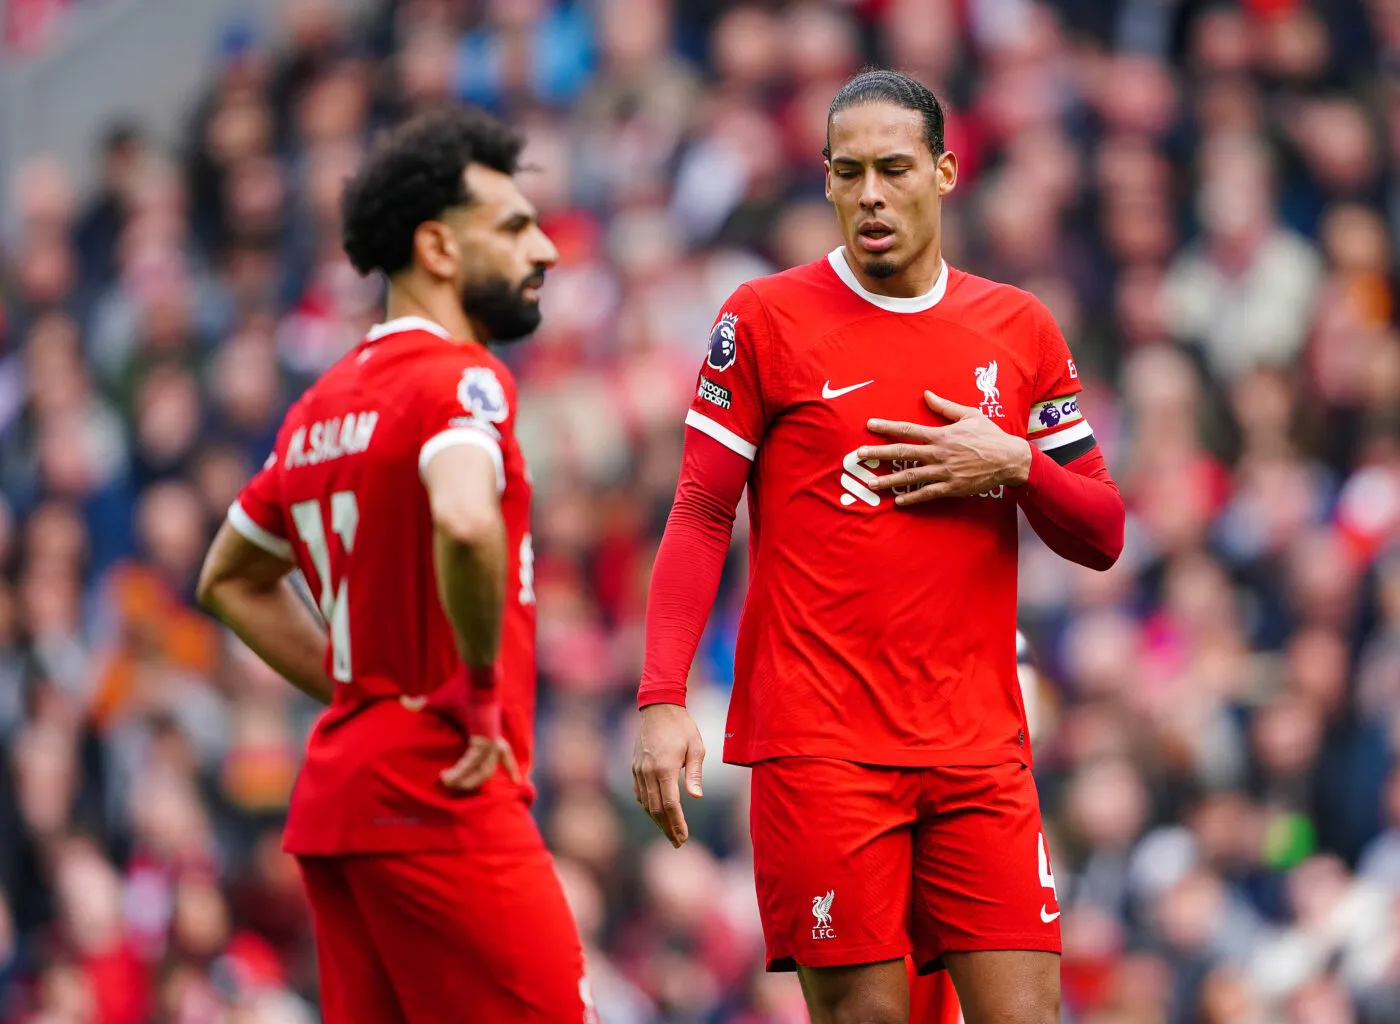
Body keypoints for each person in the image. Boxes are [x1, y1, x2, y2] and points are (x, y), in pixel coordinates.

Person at [632, 70, 1125, 1024]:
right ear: (823, 181)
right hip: (822, 749)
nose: (870, 194)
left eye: (894, 169)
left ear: (943, 172)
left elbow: (1102, 533)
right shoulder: (764, 318)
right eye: (847, 172)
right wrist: (661, 699)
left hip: (979, 748)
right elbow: (700, 511)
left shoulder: (1017, 328)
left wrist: (1016, 461)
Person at [197, 106, 595, 1023]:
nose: (546, 251)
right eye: (514, 227)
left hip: (343, 806)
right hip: (443, 792)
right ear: (439, 250)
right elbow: (463, 519)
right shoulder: (461, 380)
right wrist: (479, 686)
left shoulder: (315, 412)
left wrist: (361, 686)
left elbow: (230, 579)